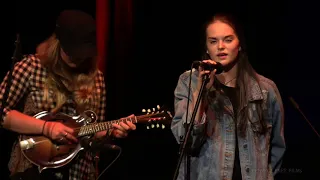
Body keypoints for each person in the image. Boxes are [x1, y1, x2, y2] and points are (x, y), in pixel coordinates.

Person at [0, 9, 136, 180]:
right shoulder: (31, 67)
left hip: (79, 173)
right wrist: (47, 128)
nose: (77, 58)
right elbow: (2, 114)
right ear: (59, 43)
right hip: (34, 171)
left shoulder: (96, 78)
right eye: (72, 51)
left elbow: (92, 134)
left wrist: (111, 133)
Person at [171, 12, 285, 180]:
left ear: (239, 44)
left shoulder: (266, 89)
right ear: (206, 48)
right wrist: (200, 93)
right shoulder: (189, 82)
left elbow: (276, 149)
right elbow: (187, 142)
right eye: (213, 41)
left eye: (228, 40)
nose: (220, 47)